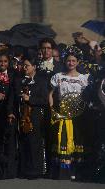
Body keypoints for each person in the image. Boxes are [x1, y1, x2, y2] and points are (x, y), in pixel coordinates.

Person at [49, 46, 90, 180]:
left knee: (78, 140)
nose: (71, 63)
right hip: (63, 114)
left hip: (79, 115)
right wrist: (52, 108)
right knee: (63, 139)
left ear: (78, 62)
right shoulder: (59, 77)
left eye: (73, 61)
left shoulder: (84, 78)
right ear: (64, 62)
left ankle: (76, 172)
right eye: (68, 60)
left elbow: (87, 96)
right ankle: (63, 172)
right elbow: (50, 94)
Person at [10, 55, 48, 179]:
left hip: (35, 116)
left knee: (34, 143)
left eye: (27, 66)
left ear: (34, 67)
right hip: (22, 115)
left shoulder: (41, 81)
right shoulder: (19, 81)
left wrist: (30, 99)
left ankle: (35, 170)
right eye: (23, 65)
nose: (24, 68)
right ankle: (24, 169)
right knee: (23, 142)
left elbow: (44, 100)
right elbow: (14, 98)